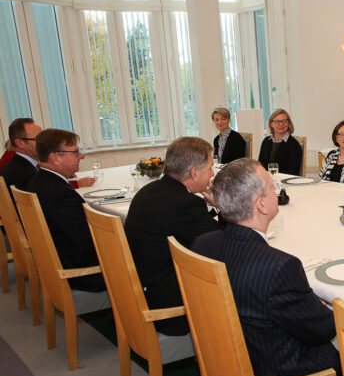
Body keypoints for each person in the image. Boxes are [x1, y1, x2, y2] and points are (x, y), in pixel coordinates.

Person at [192, 159, 341, 376]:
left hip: (232, 369)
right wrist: (321, 306)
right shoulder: (278, 266)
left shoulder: (204, 244)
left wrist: (302, 301)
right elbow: (321, 330)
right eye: (273, 188)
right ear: (261, 205)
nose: (277, 193)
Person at [125, 137, 223, 336]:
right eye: (210, 168)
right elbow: (222, 244)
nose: (212, 174)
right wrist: (223, 207)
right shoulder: (185, 204)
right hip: (167, 305)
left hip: (141, 290)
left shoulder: (150, 190)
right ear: (194, 173)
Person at [25, 129, 106, 295]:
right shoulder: (59, 194)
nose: (81, 156)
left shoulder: (38, 181)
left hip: (61, 259)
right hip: (82, 272)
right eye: (75, 152)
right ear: (55, 158)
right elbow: (87, 243)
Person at [258, 109, 303, 175]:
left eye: (284, 121)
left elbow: (293, 172)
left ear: (289, 123)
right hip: (267, 181)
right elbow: (260, 166)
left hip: (284, 182)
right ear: (271, 124)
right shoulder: (266, 141)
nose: (281, 124)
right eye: (277, 121)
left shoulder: (294, 145)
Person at [1, 117, 41, 192]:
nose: (45, 143)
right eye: (39, 139)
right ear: (20, 143)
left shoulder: (16, 165)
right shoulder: (26, 174)